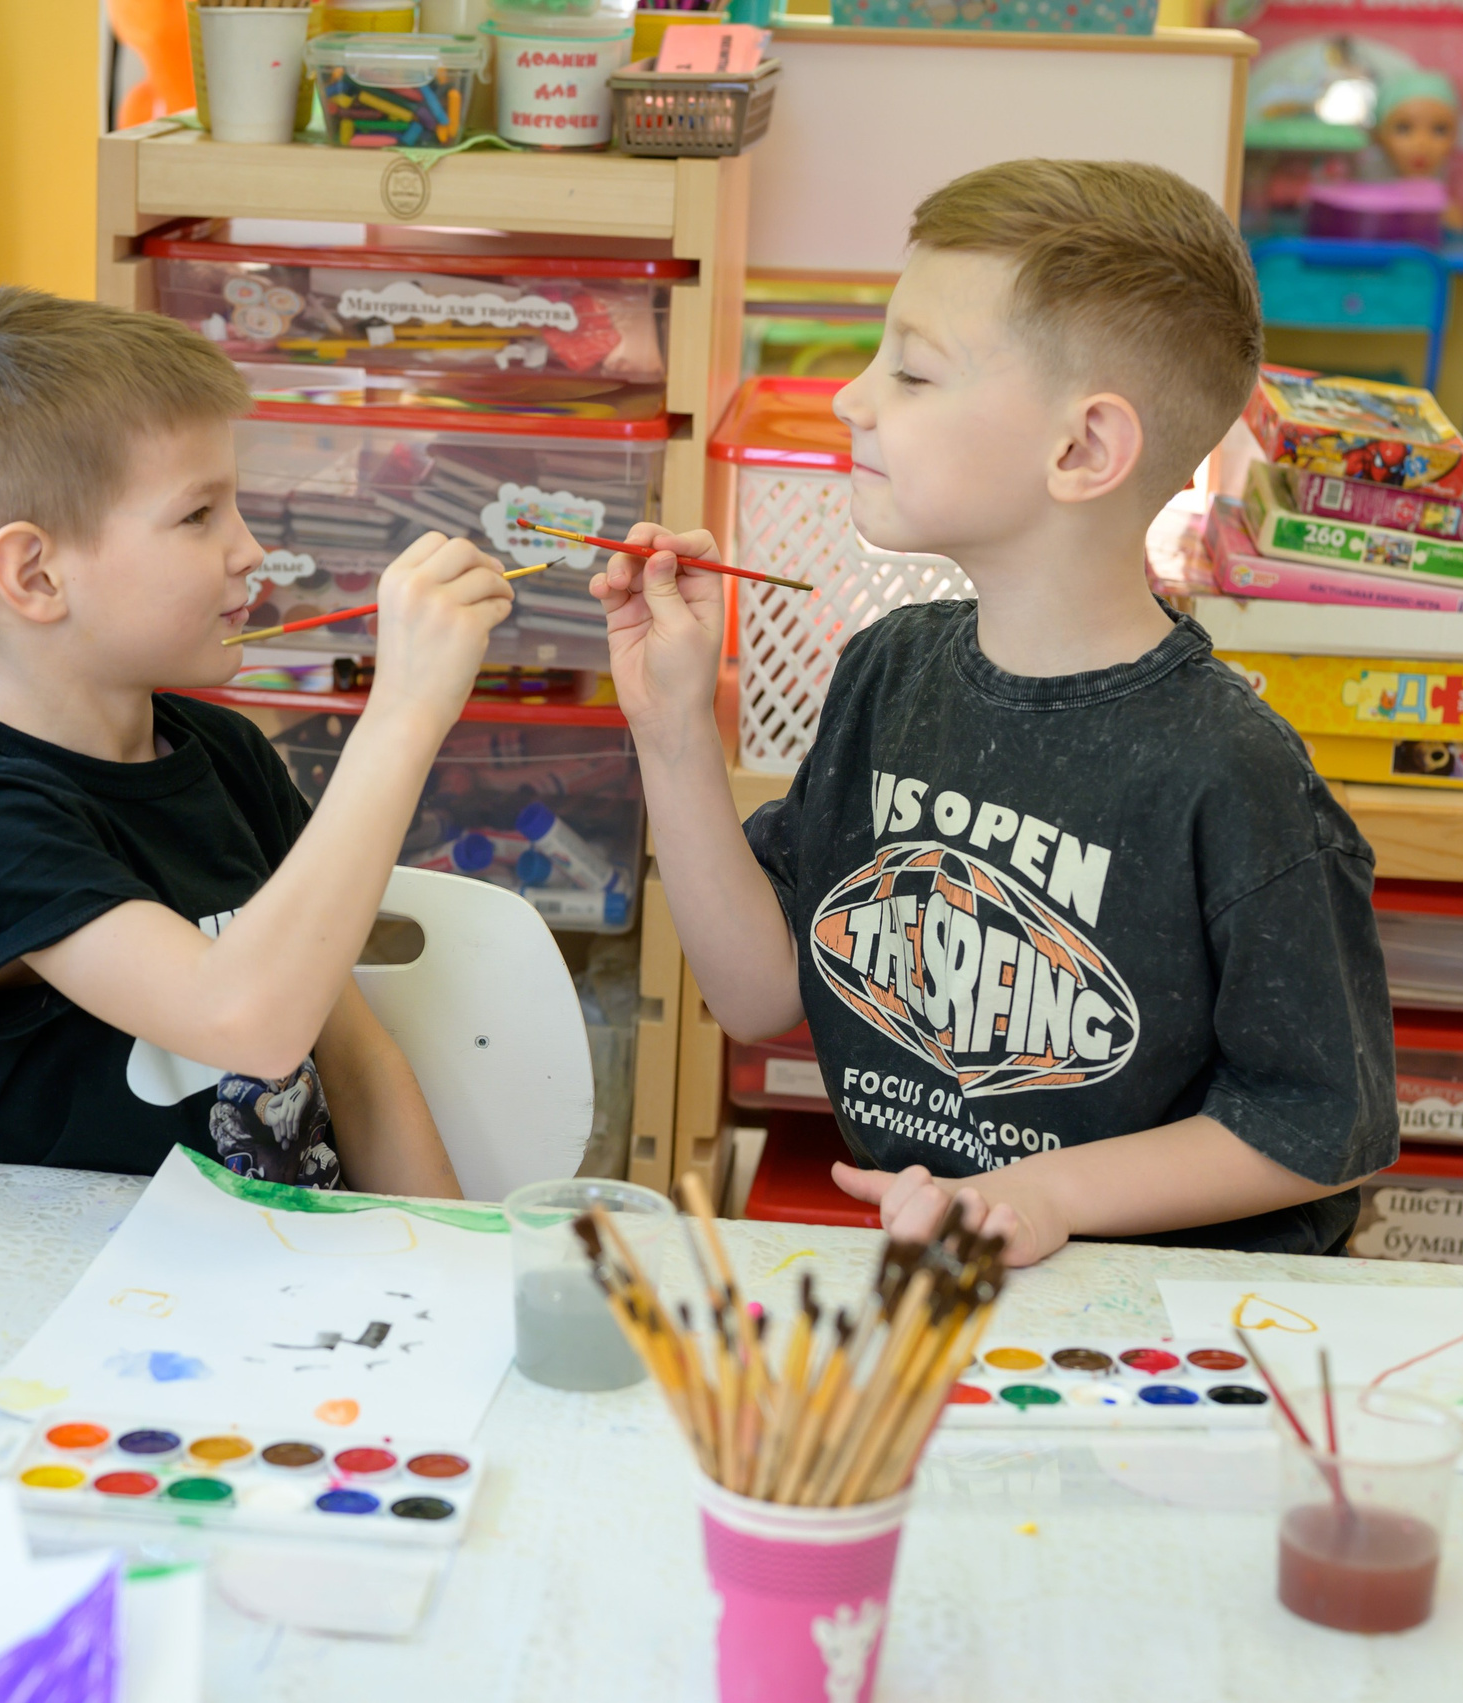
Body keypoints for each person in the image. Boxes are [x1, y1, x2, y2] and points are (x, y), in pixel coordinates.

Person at [594, 160, 1396, 1263]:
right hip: (951, 1277)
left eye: (912, 373)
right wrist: (672, 726)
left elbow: (1323, 1124)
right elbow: (755, 990)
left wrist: (1043, 1195)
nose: (848, 397)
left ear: (1082, 450)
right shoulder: (885, 672)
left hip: (1164, 1328)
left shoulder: (1231, 770)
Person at [0, 288, 514, 1192]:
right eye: (198, 515)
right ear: (36, 574)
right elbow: (242, 1018)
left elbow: (359, 1064)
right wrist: (402, 713)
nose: (248, 549)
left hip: (300, 1293)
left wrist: (451, 1275)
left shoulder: (226, 755)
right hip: (99, 1313)